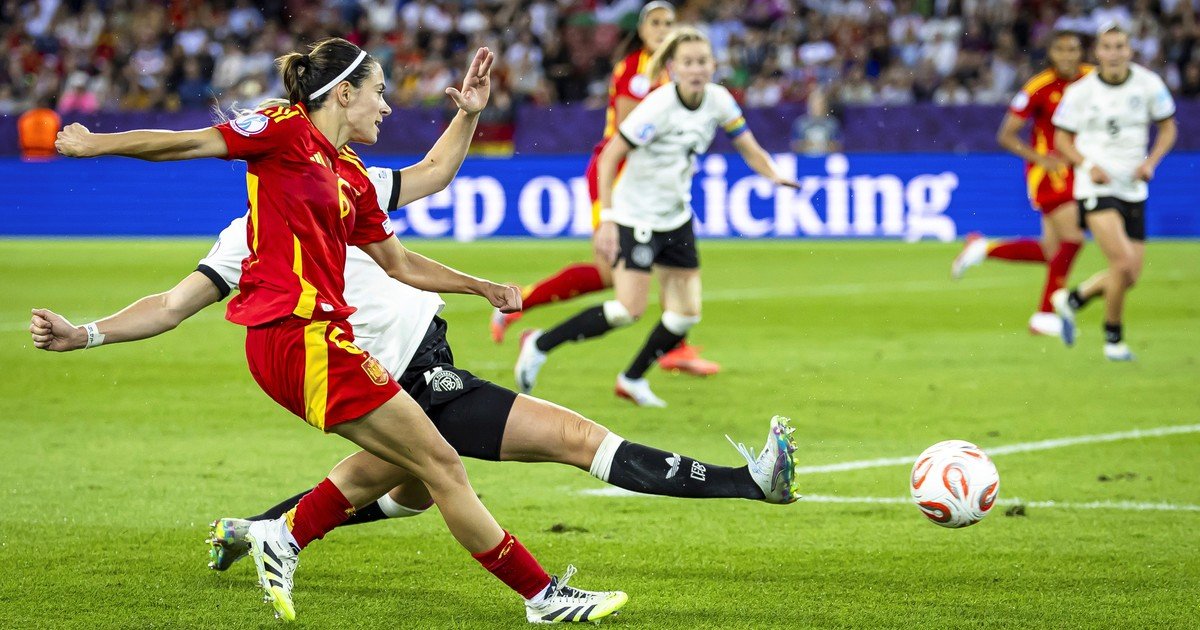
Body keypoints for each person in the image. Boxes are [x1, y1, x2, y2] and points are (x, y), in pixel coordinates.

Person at [45, 39, 625, 624]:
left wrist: (482, 287)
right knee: (441, 467)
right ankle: (541, 598)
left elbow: (401, 263)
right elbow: (189, 145)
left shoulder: (349, 177)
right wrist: (98, 144)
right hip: (296, 337)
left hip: (321, 340)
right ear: (343, 93)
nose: (387, 108)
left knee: (418, 468)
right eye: (378, 93)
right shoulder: (282, 129)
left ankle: (283, 536)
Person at [29, 175, 800, 573]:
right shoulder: (245, 237)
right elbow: (169, 306)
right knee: (570, 435)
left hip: (429, 362)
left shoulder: (343, 187)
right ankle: (746, 482)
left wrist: (467, 117)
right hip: (400, 381)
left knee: (393, 489)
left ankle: (258, 531)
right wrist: (85, 333)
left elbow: (423, 195)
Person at [513, 27, 799, 407]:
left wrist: (774, 174)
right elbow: (611, 156)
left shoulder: (719, 100)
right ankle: (539, 343)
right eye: (688, 62)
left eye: (702, 62)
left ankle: (630, 380)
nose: (696, 69)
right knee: (627, 309)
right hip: (637, 216)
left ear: (713, 65)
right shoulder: (658, 107)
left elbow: (749, 147)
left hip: (676, 216)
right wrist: (609, 217)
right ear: (673, 67)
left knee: (684, 314)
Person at [488, 3, 721, 378]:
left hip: (648, 184)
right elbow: (631, 134)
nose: (663, 30)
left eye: (669, 23)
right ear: (642, 30)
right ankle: (520, 304)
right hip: (619, 177)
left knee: (646, 266)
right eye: (656, 23)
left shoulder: (674, 72)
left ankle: (674, 344)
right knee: (616, 270)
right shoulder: (635, 70)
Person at [1050, 23, 1176, 361]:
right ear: (1098, 52)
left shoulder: (1149, 84)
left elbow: (1168, 127)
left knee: (1130, 275)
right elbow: (1061, 138)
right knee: (1121, 263)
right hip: (1096, 186)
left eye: (1121, 46)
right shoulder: (1081, 91)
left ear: (1130, 50)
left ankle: (1072, 299)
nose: (1115, 53)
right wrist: (1086, 164)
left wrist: (1152, 162)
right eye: (1108, 46)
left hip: (1134, 187)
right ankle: (1113, 340)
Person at [953, 30, 1091, 337]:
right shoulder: (1038, 87)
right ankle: (1045, 314)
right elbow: (1006, 134)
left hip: (1081, 169)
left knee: (1051, 251)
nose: (1067, 56)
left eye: (1073, 50)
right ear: (1051, 53)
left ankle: (983, 248)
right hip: (1051, 172)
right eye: (1061, 50)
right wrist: (1040, 160)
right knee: (1074, 239)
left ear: (1081, 53)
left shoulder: (1092, 80)